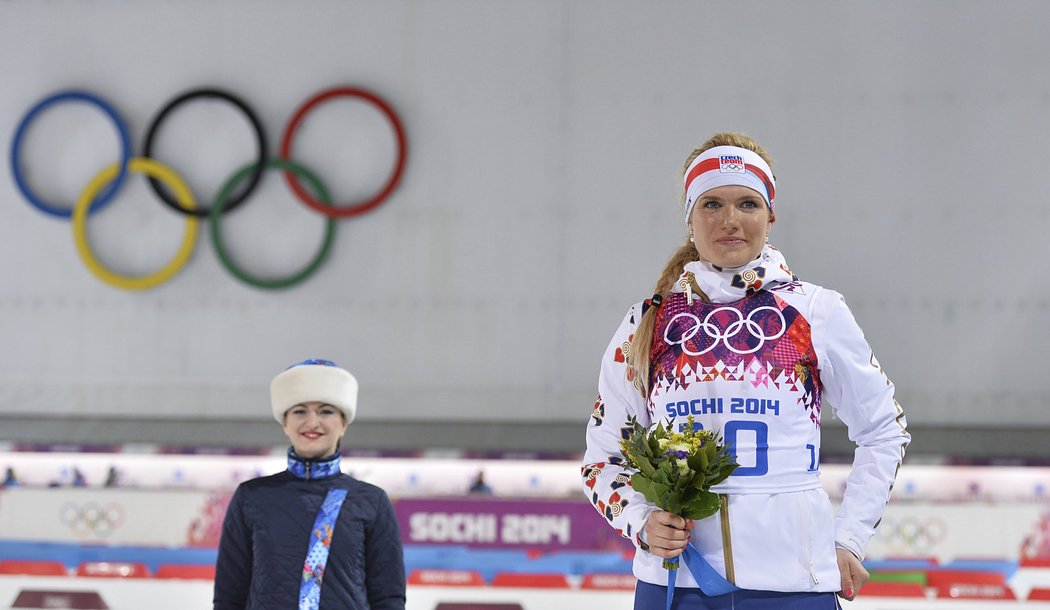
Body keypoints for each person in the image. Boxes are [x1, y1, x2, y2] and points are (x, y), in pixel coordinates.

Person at [581, 133, 910, 609]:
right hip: (677, 583)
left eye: (747, 204)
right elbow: (601, 459)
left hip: (795, 586)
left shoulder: (816, 311)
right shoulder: (645, 324)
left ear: (770, 216)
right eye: (712, 204)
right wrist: (640, 521)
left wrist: (850, 536)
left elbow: (884, 429)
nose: (730, 220)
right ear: (689, 218)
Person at [214, 359, 405, 610]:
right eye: (299, 411)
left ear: (344, 423)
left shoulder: (371, 501)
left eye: (326, 411)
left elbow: (388, 598)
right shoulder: (252, 497)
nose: (312, 422)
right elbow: (229, 597)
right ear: (285, 422)